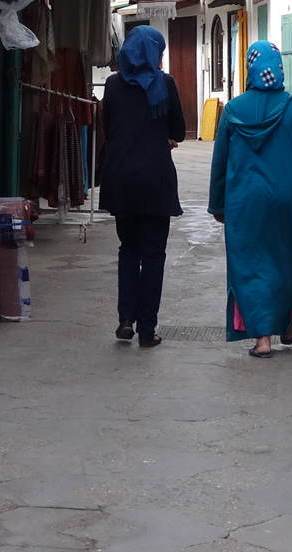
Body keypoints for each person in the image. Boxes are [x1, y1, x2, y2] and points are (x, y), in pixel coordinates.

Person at [209, 41, 292, 358]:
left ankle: (262, 339)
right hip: (287, 201)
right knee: (286, 262)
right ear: (278, 68)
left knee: (249, 266)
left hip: (244, 202)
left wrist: (218, 205)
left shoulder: (233, 111)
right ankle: (289, 324)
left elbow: (220, 163)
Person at [98, 24, 187, 348]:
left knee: (128, 250)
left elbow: (109, 126)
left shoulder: (112, 85)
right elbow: (178, 129)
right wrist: (162, 135)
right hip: (155, 181)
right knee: (153, 255)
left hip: (121, 179)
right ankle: (147, 329)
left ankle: (125, 319)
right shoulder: (165, 84)